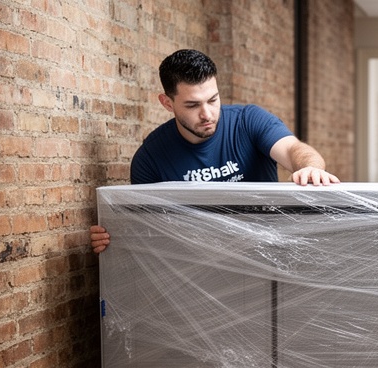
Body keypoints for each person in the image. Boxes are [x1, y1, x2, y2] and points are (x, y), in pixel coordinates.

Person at [90, 49, 339, 253]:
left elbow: (294, 149)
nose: (207, 114)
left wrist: (310, 168)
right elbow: (146, 233)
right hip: (197, 269)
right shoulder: (150, 158)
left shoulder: (248, 121)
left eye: (213, 100)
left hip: (266, 253)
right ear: (167, 103)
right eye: (192, 105)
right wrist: (112, 238)